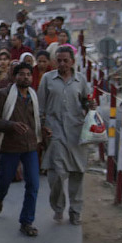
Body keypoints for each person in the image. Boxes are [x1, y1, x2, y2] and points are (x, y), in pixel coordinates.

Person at [37, 45, 96, 226]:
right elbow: (39, 107)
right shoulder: (47, 79)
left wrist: (90, 105)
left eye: (65, 60)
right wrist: (41, 127)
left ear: (72, 62)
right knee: (56, 174)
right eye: (59, 60)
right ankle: (58, 206)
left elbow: (87, 102)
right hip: (54, 133)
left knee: (77, 174)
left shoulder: (80, 80)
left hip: (77, 133)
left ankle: (75, 212)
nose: (62, 64)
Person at [0, 62, 43, 237]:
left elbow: (38, 119)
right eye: (22, 74)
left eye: (28, 74)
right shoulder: (2, 95)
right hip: (10, 147)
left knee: (33, 184)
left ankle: (27, 222)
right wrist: (11, 125)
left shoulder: (34, 96)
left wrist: (45, 129)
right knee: (5, 180)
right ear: (14, 76)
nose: (25, 77)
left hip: (30, 147)